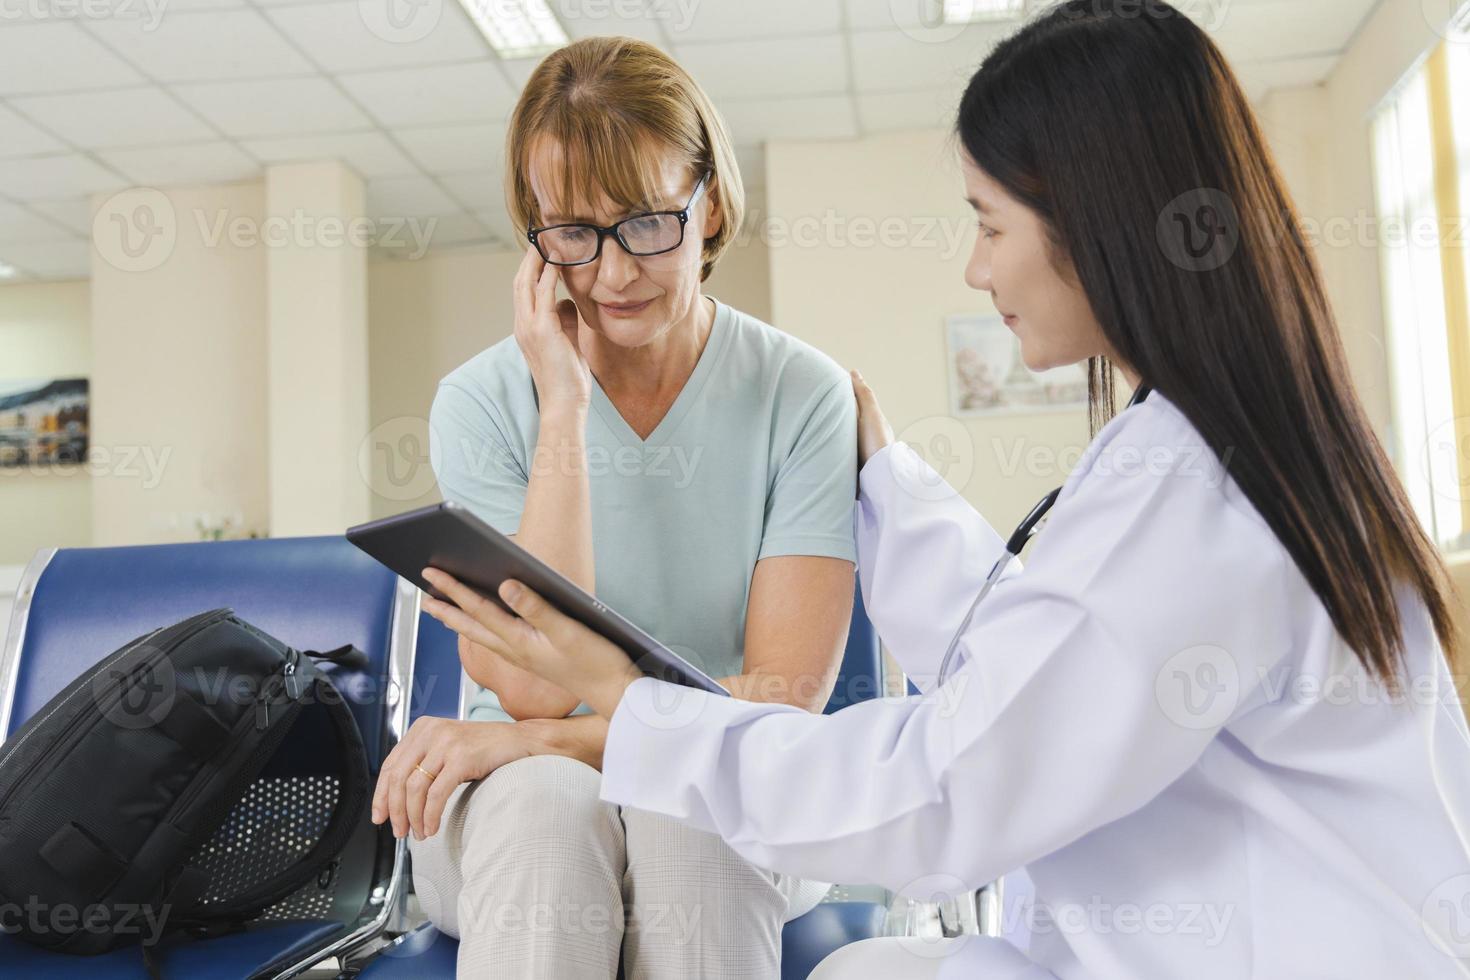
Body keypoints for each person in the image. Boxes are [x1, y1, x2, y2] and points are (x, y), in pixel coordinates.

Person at [417, 2, 1470, 976]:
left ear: (1097, 228)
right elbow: (1031, 655)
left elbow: (947, 785)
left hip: (1264, 945)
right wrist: (887, 480)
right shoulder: (1201, 449)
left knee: (742, 871)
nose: (976, 268)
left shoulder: (1195, 500)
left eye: (991, 223)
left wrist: (613, 700)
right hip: (1209, 928)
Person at [370, 36, 858, 979]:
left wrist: (529, 736)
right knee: (549, 808)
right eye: (575, 234)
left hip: (730, 782)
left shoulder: (803, 394)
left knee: (693, 811)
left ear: (708, 200)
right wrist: (563, 402)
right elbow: (533, 687)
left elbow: (778, 707)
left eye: (647, 224)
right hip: (516, 789)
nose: (614, 272)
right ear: (537, 238)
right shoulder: (482, 402)